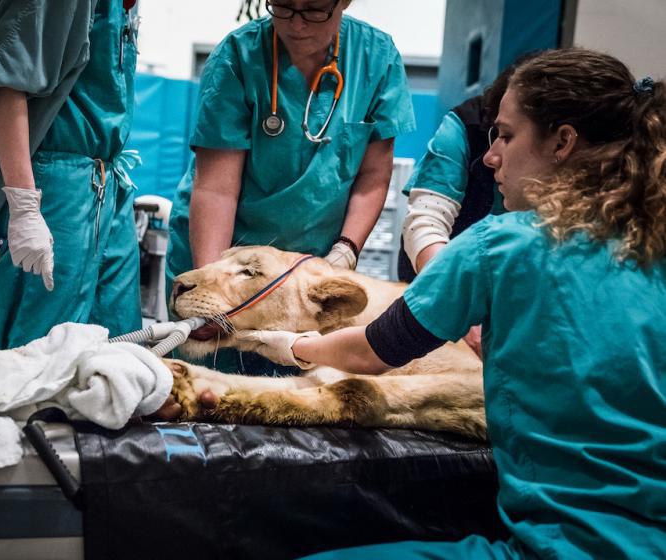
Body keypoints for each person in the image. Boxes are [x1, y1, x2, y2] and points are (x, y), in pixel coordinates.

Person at [233, 49, 666, 558]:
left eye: (506, 135)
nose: (490, 157)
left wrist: (294, 345)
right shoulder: (652, 249)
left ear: (563, 141)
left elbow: (370, 352)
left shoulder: (503, 244)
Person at [165, 0, 416, 372]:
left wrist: (345, 252)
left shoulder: (376, 59)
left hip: (306, 273)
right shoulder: (239, 57)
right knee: (205, 389)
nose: (297, 25)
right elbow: (216, 189)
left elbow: (372, 179)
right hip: (223, 257)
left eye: (314, 10)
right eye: (282, 7)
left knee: (296, 390)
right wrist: (211, 292)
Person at [0, 0, 143, 349]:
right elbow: (6, 82)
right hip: (53, 187)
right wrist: (23, 205)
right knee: (38, 358)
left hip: (106, 181)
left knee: (120, 350)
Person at [397, 56, 536, 358]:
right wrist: (454, 299)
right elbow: (426, 220)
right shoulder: (465, 126)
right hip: (442, 271)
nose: (490, 157)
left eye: (509, 137)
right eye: (495, 134)